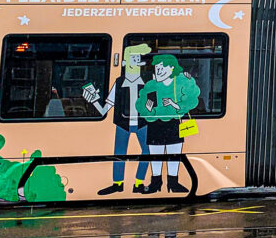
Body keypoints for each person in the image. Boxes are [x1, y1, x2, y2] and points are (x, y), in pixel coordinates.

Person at [83, 43, 153, 195]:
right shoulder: (120, 83)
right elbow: (104, 109)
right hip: (123, 123)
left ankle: (139, 182)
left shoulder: (146, 84)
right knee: (119, 153)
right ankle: (118, 183)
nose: (137, 63)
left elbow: (152, 106)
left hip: (142, 123)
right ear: (125, 63)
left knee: (147, 151)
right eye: (134, 59)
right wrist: (94, 100)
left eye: (138, 59)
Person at [136, 55, 200, 194]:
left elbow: (191, 100)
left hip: (173, 123)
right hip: (155, 123)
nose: (158, 71)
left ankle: (173, 183)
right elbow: (140, 104)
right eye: (157, 68)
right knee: (155, 156)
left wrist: (173, 103)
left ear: (172, 68)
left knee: (174, 154)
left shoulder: (181, 82)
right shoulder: (151, 85)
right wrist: (148, 109)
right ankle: (156, 183)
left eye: (161, 67)